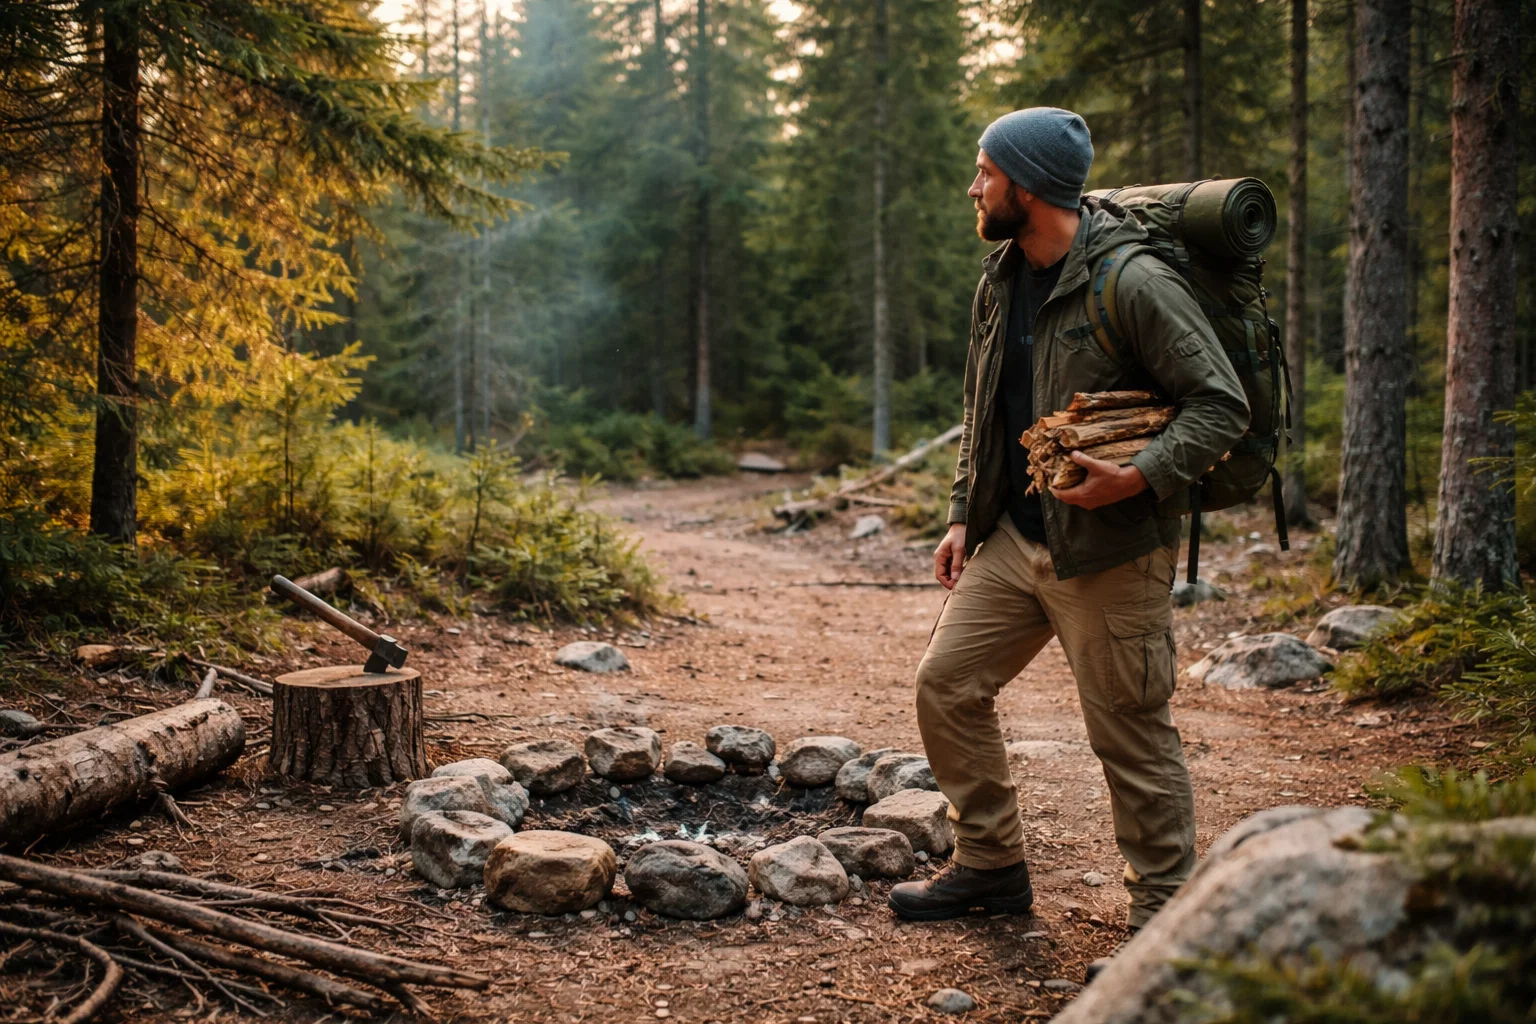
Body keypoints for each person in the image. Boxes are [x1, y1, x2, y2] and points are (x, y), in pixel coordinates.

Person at [887, 108, 1248, 946]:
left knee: (1128, 734)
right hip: (1015, 539)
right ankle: (991, 867)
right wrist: (958, 516)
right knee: (947, 686)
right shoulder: (1003, 275)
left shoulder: (1134, 282)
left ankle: (1161, 930)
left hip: (1114, 553)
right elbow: (985, 409)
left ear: (1030, 185)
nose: (974, 187)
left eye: (985, 172)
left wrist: (1140, 474)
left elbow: (1219, 405)